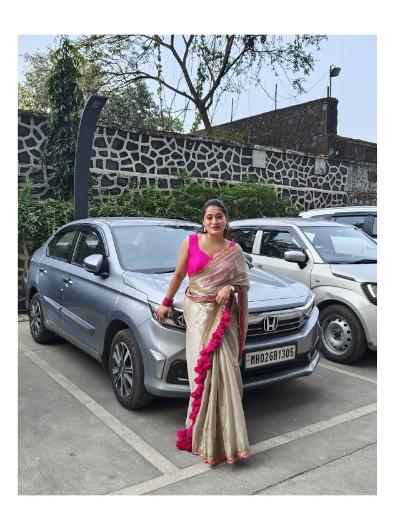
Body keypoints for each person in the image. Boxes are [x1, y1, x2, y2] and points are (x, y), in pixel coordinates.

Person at [155, 199, 251, 467]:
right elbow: (178, 274)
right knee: (202, 374)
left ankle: (227, 437)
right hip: (197, 314)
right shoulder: (191, 242)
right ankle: (202, 435)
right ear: (203, 221)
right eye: (209, 217)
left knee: (228, 372)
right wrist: (166, 302)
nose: (214, 222)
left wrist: (230, 288)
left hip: (223, 317)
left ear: (226, 220)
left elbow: (243, 283)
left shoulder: (235, 250)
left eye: (218, 216)